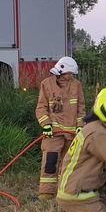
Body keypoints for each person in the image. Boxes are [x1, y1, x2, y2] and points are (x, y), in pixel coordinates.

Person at [35, 56, 85, 198]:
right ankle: (46, 192)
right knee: (50, 161)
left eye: (72, 75)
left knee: (69, 164)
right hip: (53, 133)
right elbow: (41, 107)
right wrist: (46, 125)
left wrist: (80, 126)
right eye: (69, 74)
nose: (71, 77)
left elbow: (81, 108)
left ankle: (66, 192)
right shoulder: (47, 84)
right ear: (61, 72)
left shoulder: (76, 85)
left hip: (71, 134)